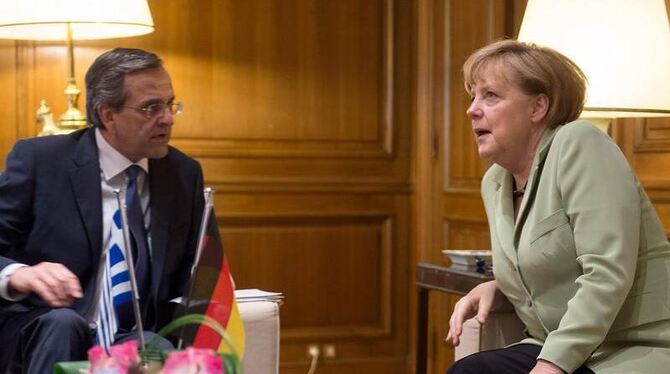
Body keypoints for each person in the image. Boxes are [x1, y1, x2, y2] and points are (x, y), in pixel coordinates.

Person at [446, 39, 670, 374]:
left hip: (629, 349)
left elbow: (606, 271)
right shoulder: (494, 181)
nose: (472, 109)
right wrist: (499, 287)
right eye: (473, 96)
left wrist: (552, 364)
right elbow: (546, 267)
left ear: (537, 108)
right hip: (554, 345)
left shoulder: (580, 143)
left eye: (490, 95)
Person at [0, 48, 205, 372]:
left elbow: (197, 275)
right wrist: (19, 274)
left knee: (157, 346)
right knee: (64, 325)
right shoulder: (42, 161)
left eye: (170, 104)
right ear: (108, 114)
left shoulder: (184, 174)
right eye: (151, 107)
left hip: (135, 337)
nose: (167, 118)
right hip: (47, 326)